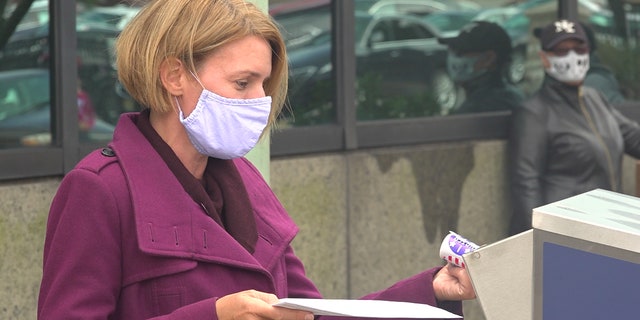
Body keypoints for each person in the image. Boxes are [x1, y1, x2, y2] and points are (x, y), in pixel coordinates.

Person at [37, 1, 476, 319]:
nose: (260, 102)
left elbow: (314, 313)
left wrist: (428, 290)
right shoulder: (99, 189)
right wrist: (214, 316)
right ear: (173, 76)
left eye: (264, 85)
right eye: (242, 82)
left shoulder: (245, 181)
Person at [508, 18, 640, 235]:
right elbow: (526, 185)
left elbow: (633, 138)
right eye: (561, 51)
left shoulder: (595, 99)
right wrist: (538, 237)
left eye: (579, 48)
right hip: (566, 234)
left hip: (607, 229)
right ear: (544, 58)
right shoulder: (534, 112)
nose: (572, 56)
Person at [438, 20, 525, 115]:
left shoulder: (479, 108)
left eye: (461, 52)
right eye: (452, 50)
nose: (453, 57)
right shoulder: (512, 96)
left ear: (488, 59)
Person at [581, 22, 627, 106]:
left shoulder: (595, 81)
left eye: (578, 48)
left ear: (589, 48)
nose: (570, 54)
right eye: (561, 50)